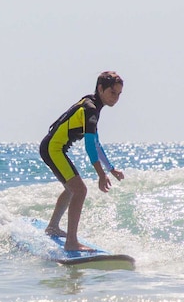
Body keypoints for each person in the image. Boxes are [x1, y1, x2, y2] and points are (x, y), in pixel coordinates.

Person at [39, 71, 125, 251]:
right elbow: (89, 147)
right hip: (52, 149)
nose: (116, 98)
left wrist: (111, 169)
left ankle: (53, 227)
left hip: (54, 148)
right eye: (112, 93)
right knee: (80, 190)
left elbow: (96, 142)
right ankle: (71, 242)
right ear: (101, 89)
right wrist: (101, 175)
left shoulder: (92, 105)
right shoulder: (90, 109)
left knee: (72, 189)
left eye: (118, 94)